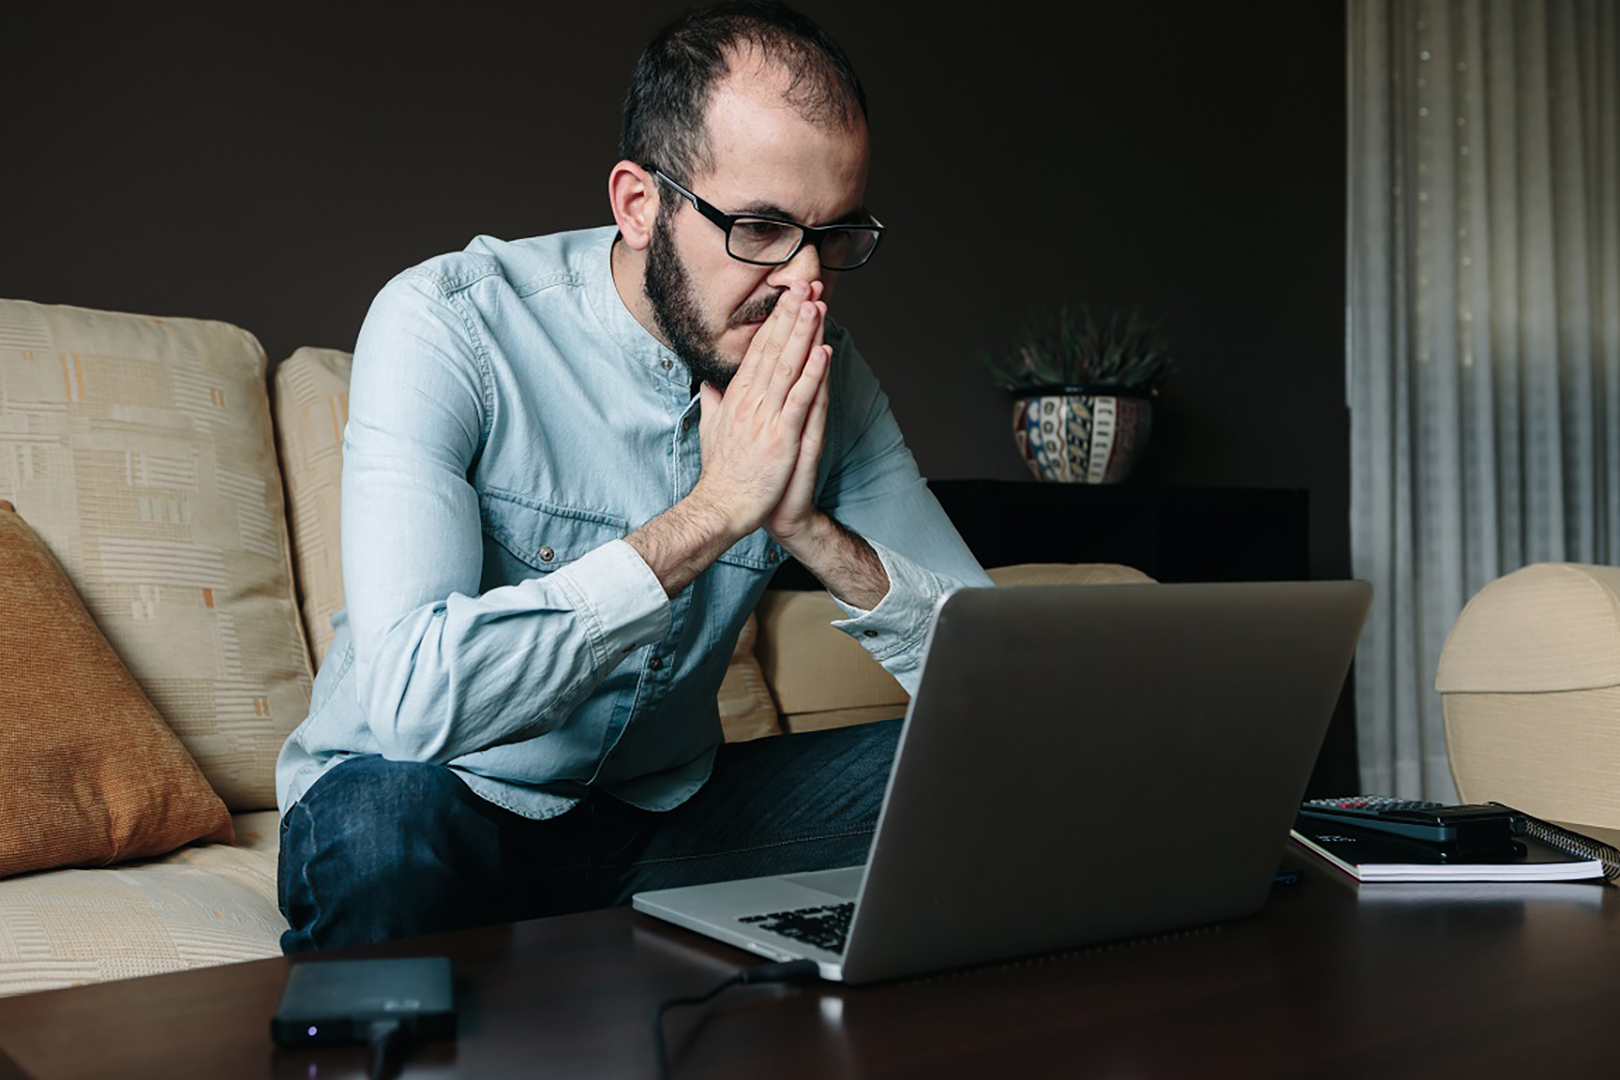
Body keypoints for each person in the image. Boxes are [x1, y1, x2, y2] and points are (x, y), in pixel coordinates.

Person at [274, 0, 992, 953]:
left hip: (668, 823)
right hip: (440, 804)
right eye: (764, 228)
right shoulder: (447, 323)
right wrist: (712, 513)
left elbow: (997, 673)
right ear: (639, 204)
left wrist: (807, 528)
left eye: (835, 236)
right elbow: (413, 709)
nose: (805, 283)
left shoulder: (822, 369)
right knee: (375, 827)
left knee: (980, 777)